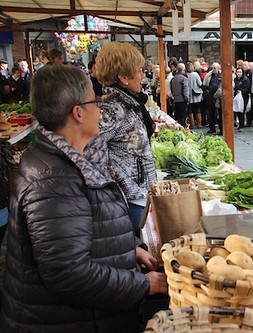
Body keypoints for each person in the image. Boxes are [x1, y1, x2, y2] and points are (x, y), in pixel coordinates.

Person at [0, 64, 168, 332]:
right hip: (65, 321)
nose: (100, 108)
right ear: (78, 113)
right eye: (95, 101)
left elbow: (80, 234)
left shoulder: (71, 159)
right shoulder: (53, 180)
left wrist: (125, 250)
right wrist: (144, 284)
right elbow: (69, 273)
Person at [94, 42, 157, 234]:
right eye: (139, 70)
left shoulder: (127, 101)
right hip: (126, 198)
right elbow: (90, 150)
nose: (142, 74)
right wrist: (117, 179)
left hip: (136, 194)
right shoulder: (112, 108)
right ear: (123, 77)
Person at [170, 62, 190, 127]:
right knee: (183, 118)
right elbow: (185, 90)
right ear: (184, 69)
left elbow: (172, 89)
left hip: (176, 100)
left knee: (178, 117)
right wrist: (187, 99)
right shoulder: (183, 78)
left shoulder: (173, 79)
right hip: (182, 100)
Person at [187, 62, 203, 129]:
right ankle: (199, 124)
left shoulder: (186, 75)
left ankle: (192, 124)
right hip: (196, 95)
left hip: (189, 95)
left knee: (190, 110)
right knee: (198, 109)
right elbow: (200, 83)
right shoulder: (195, 74)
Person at [234, 67, 251, 131]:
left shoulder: (245, 79)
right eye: (237, 72)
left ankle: (241, 125)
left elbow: (247, 88)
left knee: (241, 110)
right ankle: (240, 124)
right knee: (237, 110)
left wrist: (241, 91)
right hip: (237, 97)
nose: (238, 73)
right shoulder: (235, 79)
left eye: (240, 72)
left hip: (244, 97)